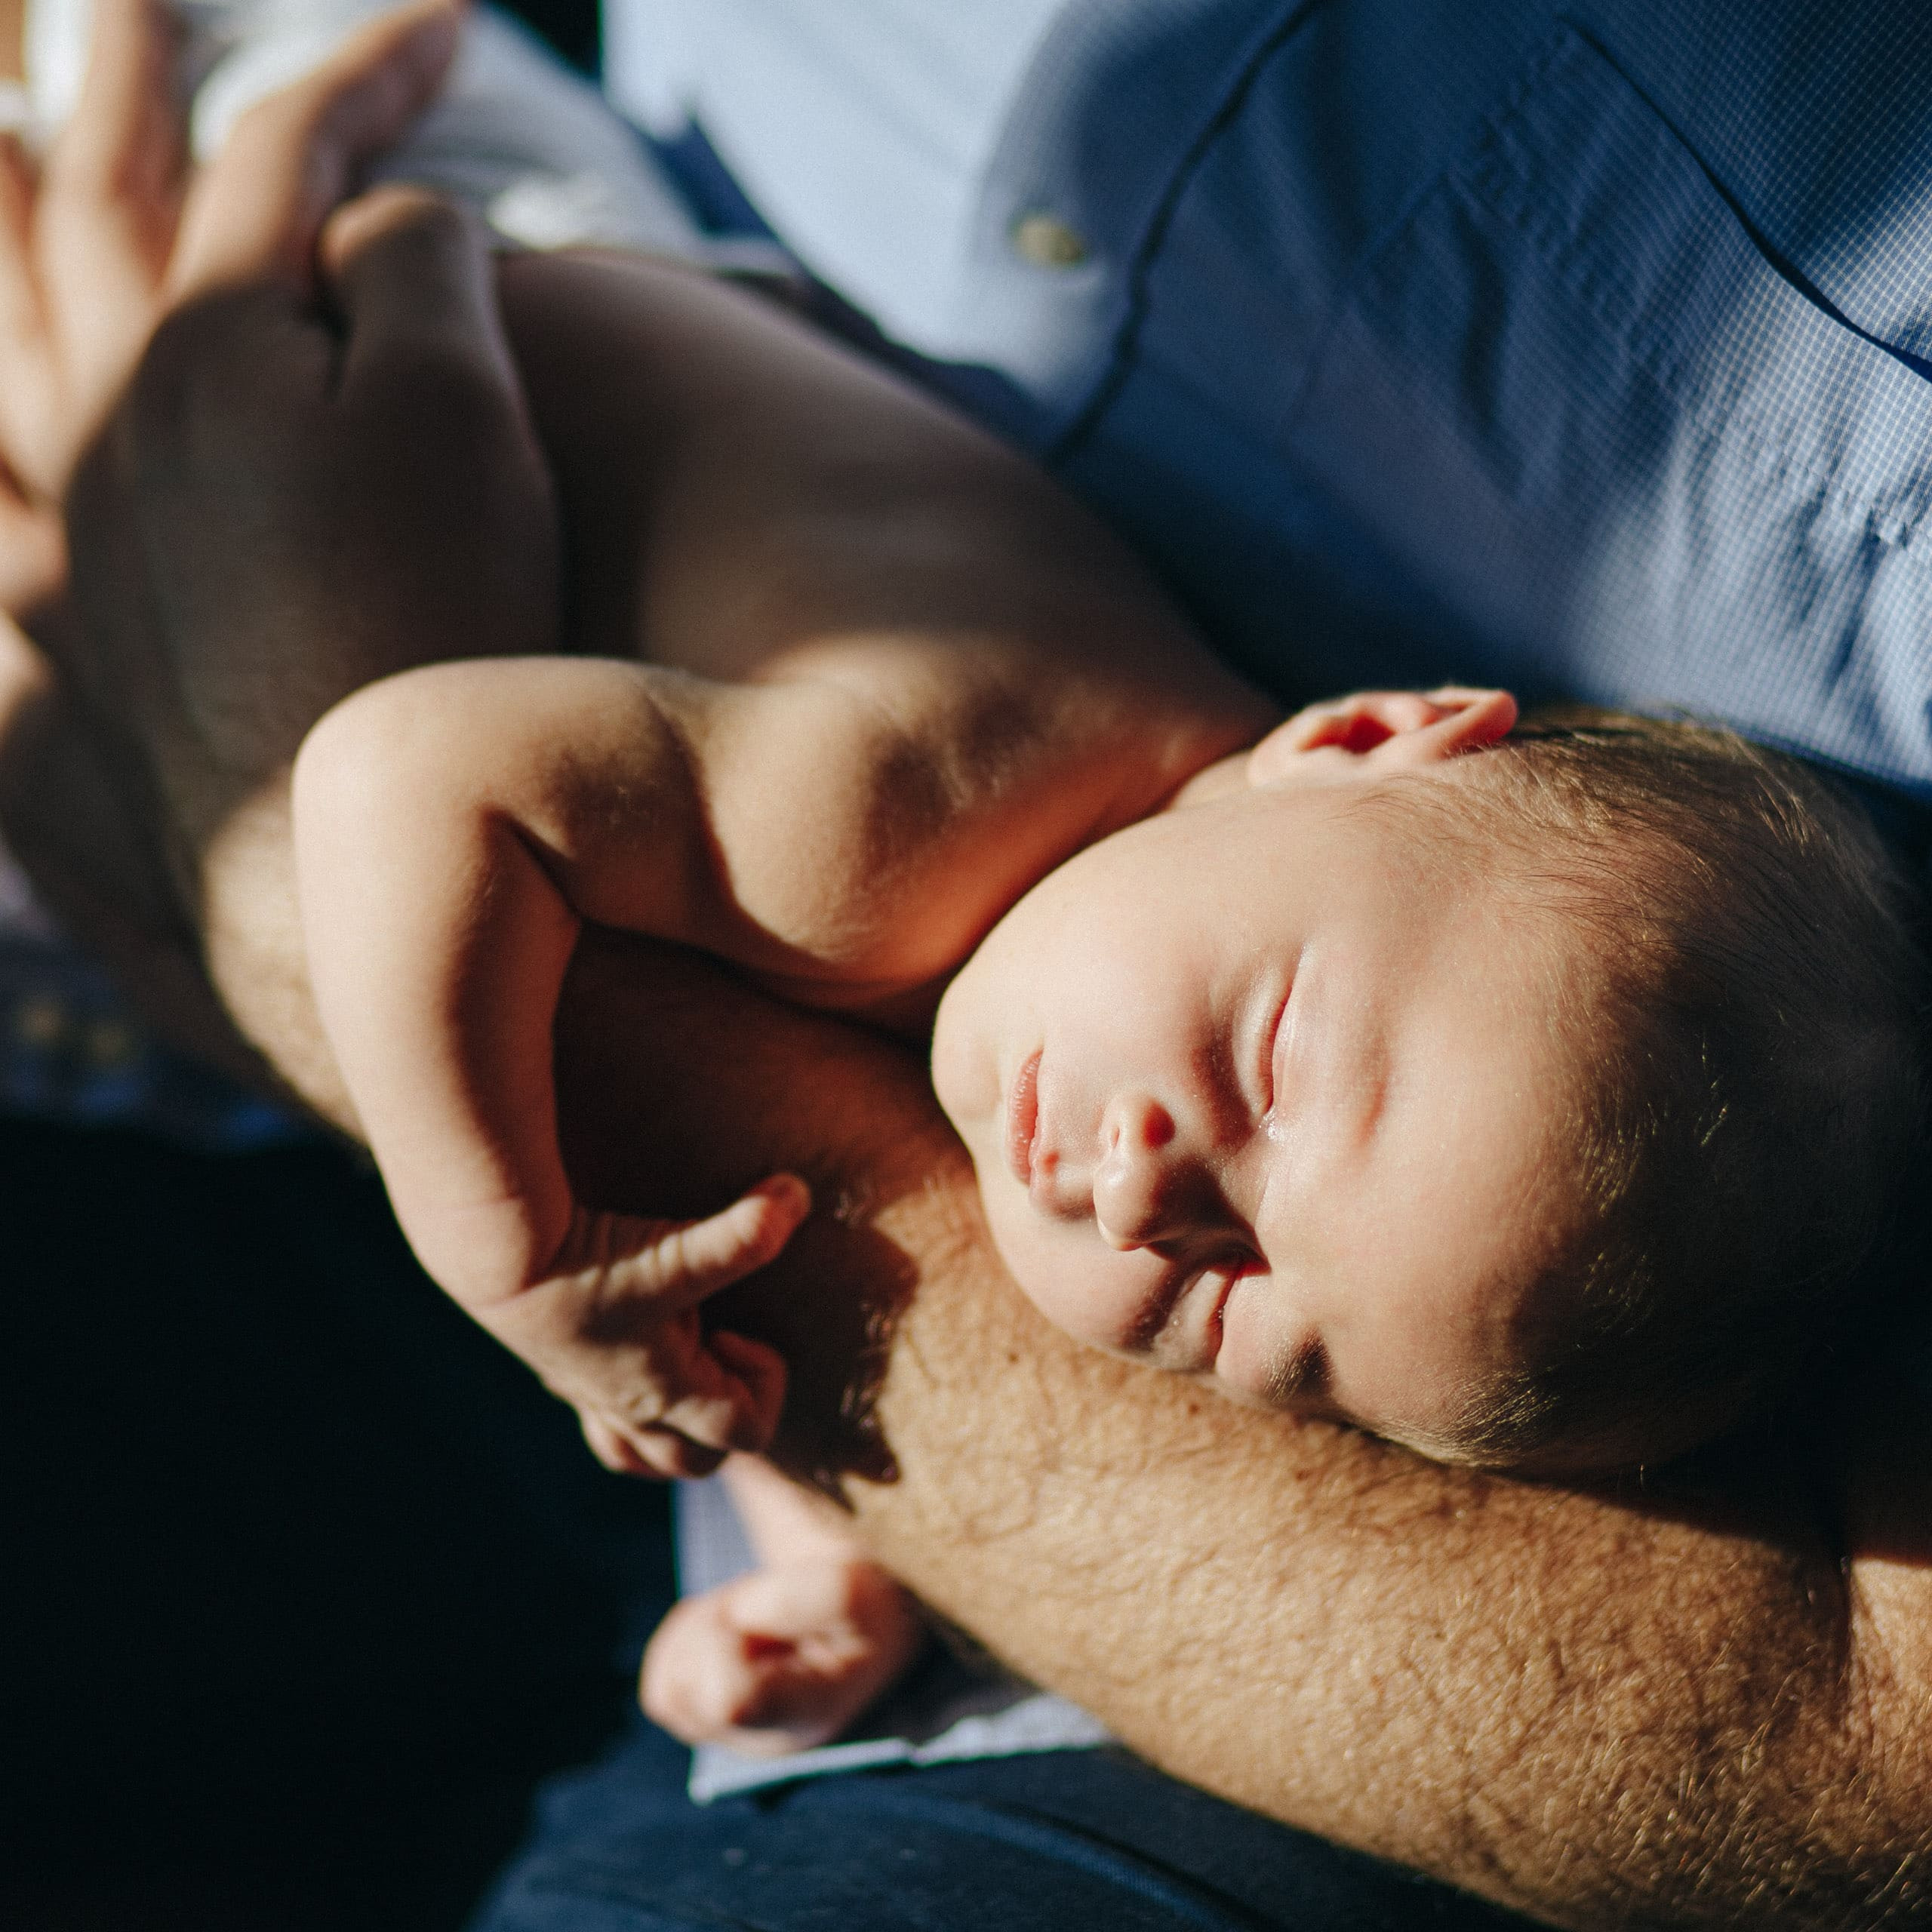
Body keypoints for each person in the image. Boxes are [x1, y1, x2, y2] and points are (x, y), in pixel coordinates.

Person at [8, 5, 1932, 1931]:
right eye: (1268, 1064)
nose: (1147, 1186)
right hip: (358, 239)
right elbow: (384, 775)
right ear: (1356, 738)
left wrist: (797, 1548)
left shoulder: (1157, 925)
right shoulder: (896, 819)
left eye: (1260, 1325)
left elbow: (794, 1144)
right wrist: (503, 1231)